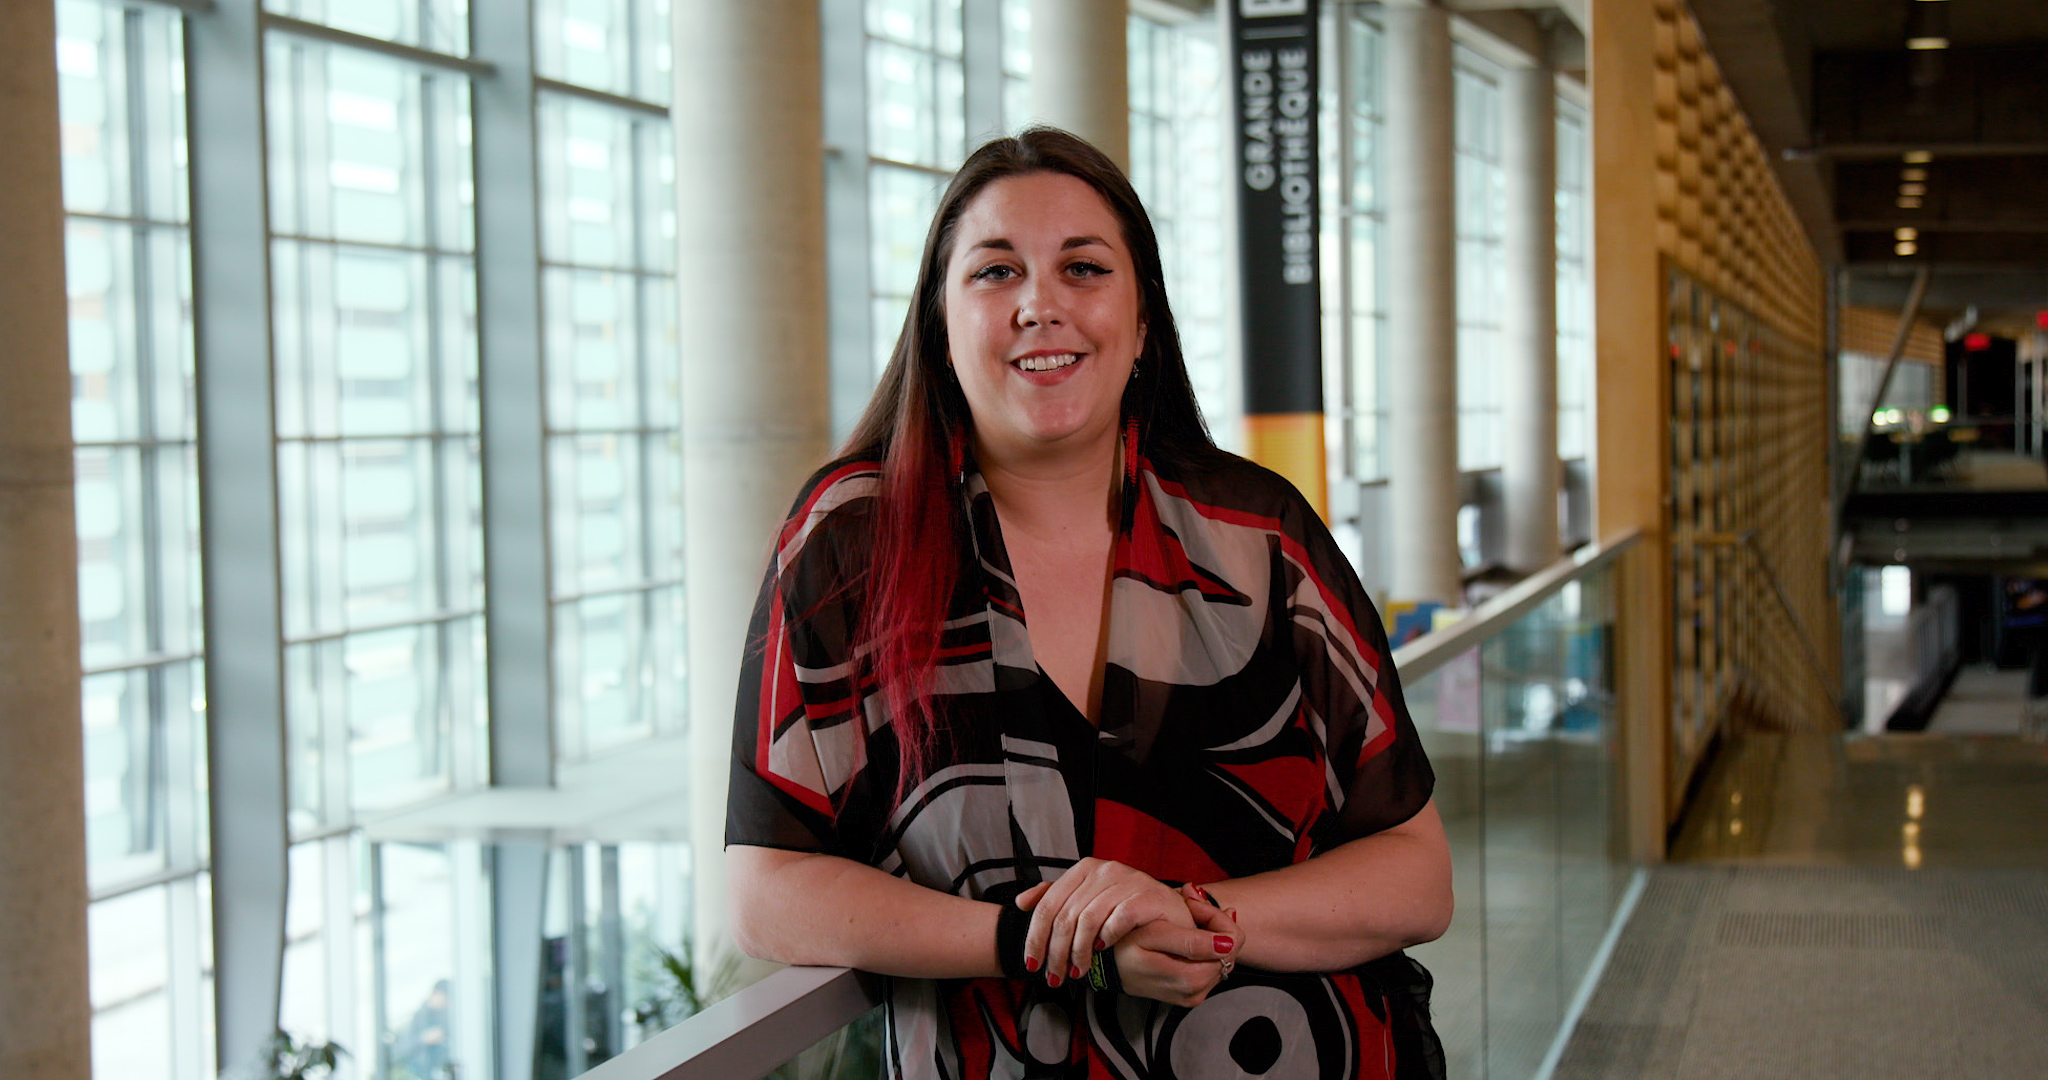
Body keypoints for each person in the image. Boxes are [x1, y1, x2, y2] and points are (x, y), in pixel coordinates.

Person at [725, 127, 1452, 1080]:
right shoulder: (852, 546)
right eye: (994, 273)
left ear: (1143, 322)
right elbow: (767, 892)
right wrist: (1046, 943)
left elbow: (1418, 874)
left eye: (1083, 268)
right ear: (938, 326)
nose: (1040, 306)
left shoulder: (1258, 537)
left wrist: (1190, 920)